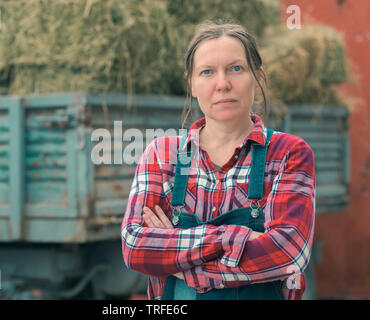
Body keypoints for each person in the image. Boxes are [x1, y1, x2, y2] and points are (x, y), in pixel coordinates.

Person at [121, 20, 315, 300]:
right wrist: (234, 239)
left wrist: (180, 264)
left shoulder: (288, 153)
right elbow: (135, 248)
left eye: (236, 69)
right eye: (207, 72)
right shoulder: (162, 155)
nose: (223, 84)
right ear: (193, 85)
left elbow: (287, 253)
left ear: (256, 77)